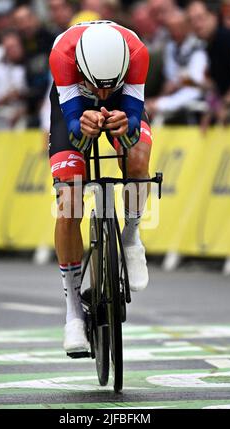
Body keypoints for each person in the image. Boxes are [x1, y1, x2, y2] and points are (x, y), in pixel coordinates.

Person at [49, 21, 152, 353]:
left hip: (126, 100)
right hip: (75, 102)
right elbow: (73, 129)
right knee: (69, 199)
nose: (104, 94)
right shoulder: (62, 55)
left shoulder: (137, 52)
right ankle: (73, 314)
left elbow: (133, 120)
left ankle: (132, 236)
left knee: (137, 160)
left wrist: (127, 124)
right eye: (99, 87)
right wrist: (83, 124)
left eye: (111, 86)